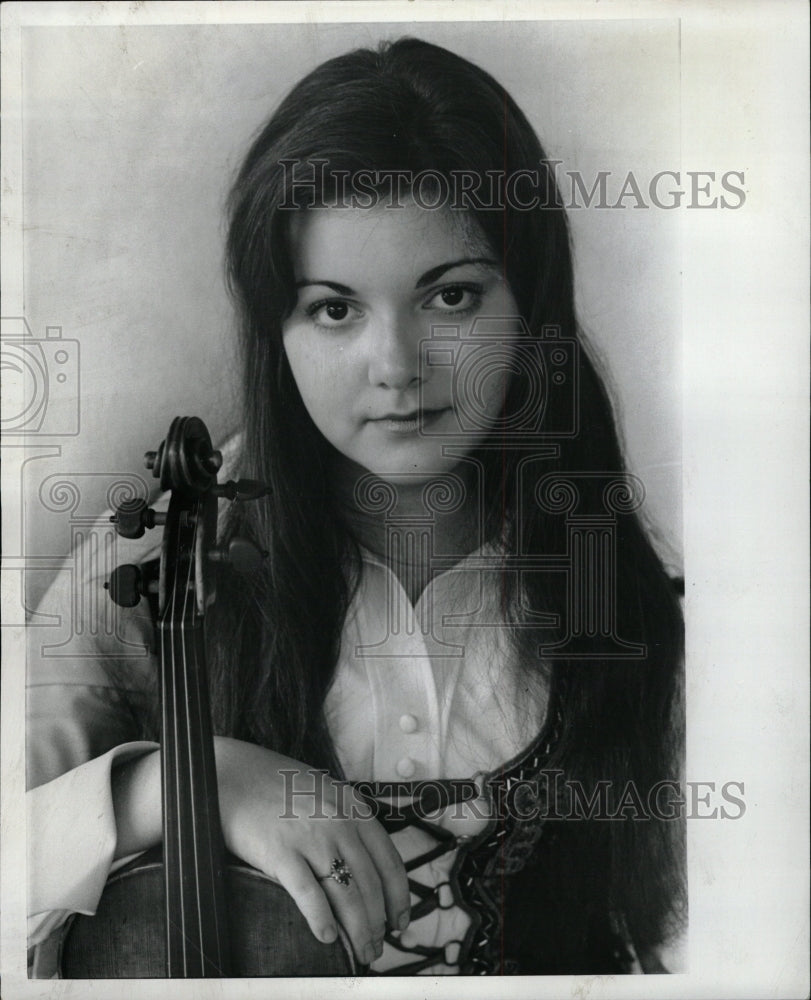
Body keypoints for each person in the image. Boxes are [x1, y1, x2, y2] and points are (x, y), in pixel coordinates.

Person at [27, 37, 685, 977]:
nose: (397, 367)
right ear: (276, 332)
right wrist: (182, 784)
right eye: (335, 310)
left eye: (452, 297)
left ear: (528, 304)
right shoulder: (153, 565)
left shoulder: (612, 570)